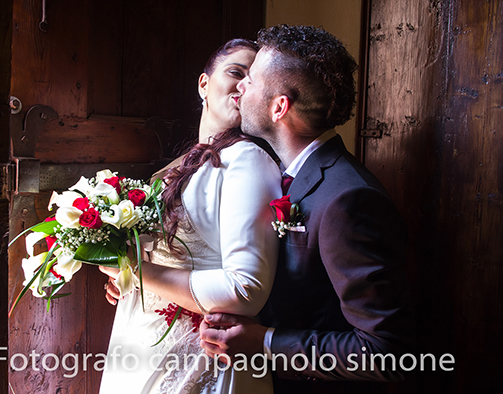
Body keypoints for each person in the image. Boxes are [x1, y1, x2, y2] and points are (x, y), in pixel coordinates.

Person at [199, 25, 413, 392]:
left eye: (250, 80)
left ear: (279, 107)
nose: (241, 88)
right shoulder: (280, 173)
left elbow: (385, 352)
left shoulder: (347, 199)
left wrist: (265, 342)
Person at [98, 38, 282, 394]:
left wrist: (139, 271)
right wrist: (125, 278)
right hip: (142, 339)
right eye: (236, 72)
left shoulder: (246, 159)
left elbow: (246, 289)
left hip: (198, 353)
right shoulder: (176, 167)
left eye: (254, 80)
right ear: (203, 84)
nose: (243, 84)